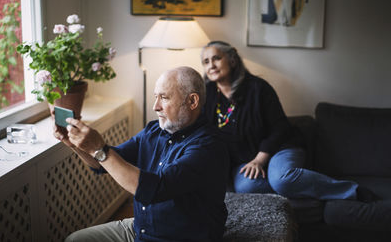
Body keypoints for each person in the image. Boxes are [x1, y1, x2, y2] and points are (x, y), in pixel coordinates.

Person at [56, 66, 230, 242]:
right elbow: (106, 162)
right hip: (141, 229)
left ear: (192, 101)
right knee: (75, 239)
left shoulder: (209, 146)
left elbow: (154, 189)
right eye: (156, 97)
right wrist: (75, 145)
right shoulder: (153, 130)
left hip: (178, 237)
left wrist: (99, 150)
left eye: (164, 97)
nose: (155, 106)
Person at [200, 40, 377, 202]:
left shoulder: (258, 88)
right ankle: (300, 185)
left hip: (279, 148)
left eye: (216, 58)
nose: (211, 65)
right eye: (206, 62)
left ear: (232, 60)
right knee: (246, 186)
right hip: (245, 160)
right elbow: (206, 134)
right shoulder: (207, 95)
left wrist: (260, 160)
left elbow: (280, 128)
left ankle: (352, 191)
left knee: (281, 179)